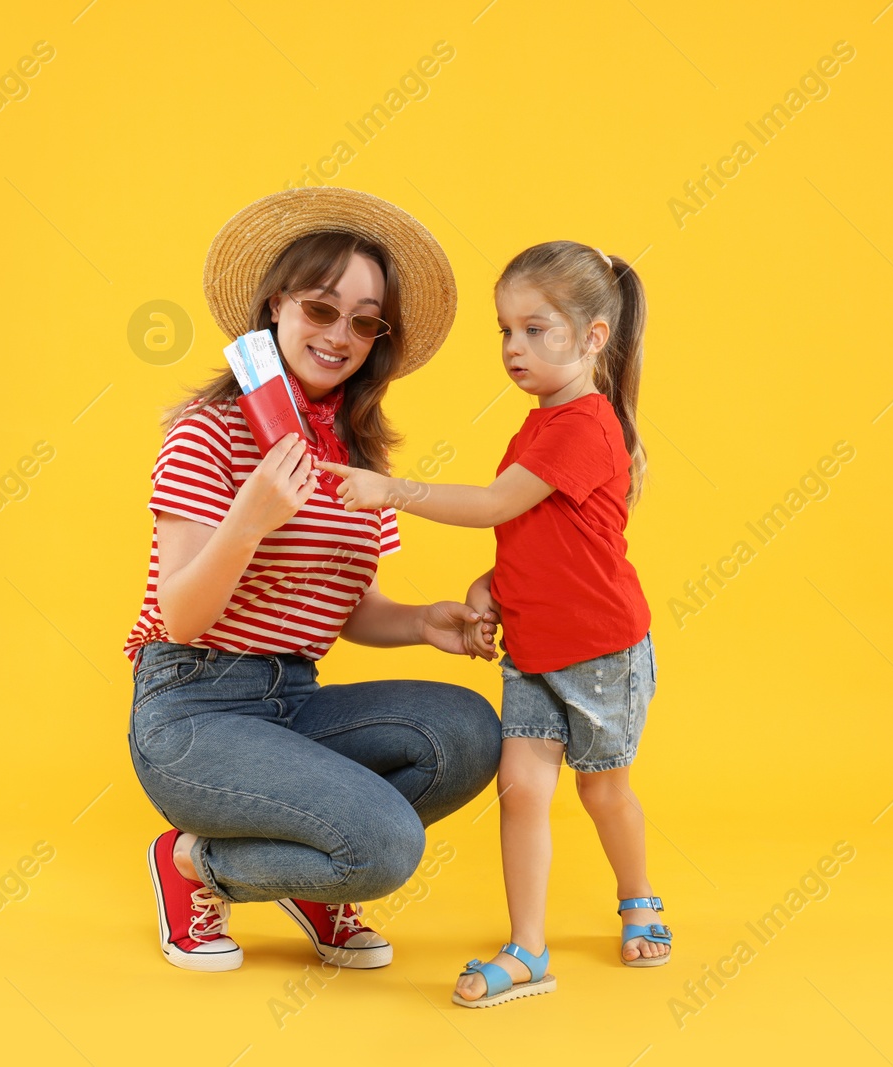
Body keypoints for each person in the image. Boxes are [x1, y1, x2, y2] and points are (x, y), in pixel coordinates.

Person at [125, 187, 503, 972]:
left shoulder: (358, 455)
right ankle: (195, 862)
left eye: (365, 321)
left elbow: (349, 609)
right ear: (275, 308)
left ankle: (310, 858)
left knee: (469, 731)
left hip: (292, 700)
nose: (340, 335)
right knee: (388, 845)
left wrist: (424, 621)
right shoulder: (208, 430)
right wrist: (250, 516)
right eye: (321, 309)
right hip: (194, 710)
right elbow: (181, 616)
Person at [317, 240, 664, 1007]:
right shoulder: (537, 426)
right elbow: (528, 536)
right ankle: (528, 947)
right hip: (534, 653)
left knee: (604, 793)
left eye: (535, 329)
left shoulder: (583, 423)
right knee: (522, 792)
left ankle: (639, 895)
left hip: (602, 652)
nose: (514, 347)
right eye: (505, 330)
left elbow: (492, 506)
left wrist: (392, 490)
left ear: (592, 337)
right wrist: (489, 594)